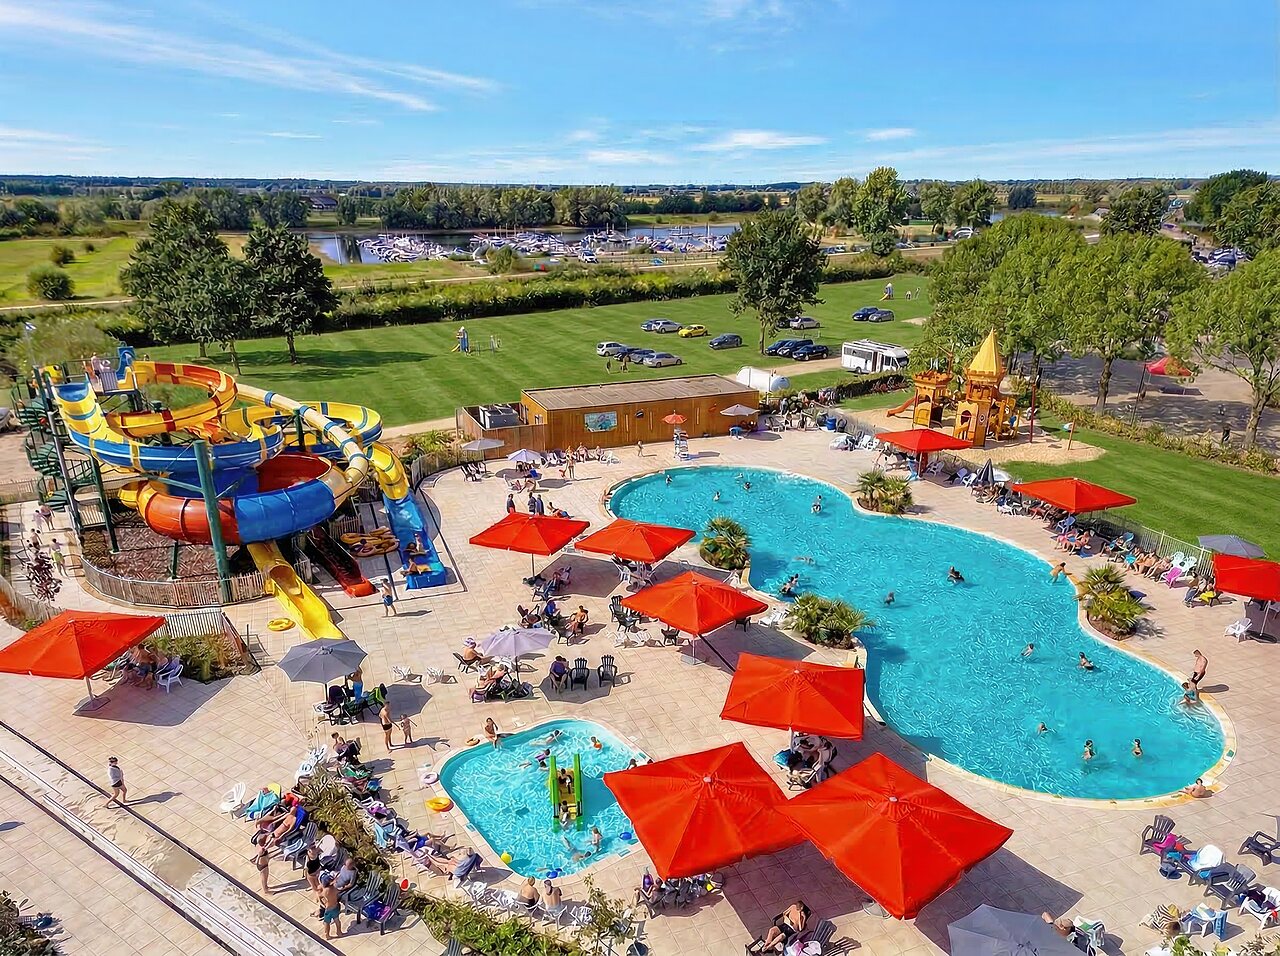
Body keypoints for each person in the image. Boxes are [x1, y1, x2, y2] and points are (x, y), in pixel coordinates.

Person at [318, 872, 342, 939]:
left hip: (329, 909)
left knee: (326, 922)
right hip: (335, 906)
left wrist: (322, 904)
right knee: (337, 920)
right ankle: (339, 932)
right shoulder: (334, 888)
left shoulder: (325, 891)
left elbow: (319, 896)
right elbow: (338, 891)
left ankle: (327, 935)